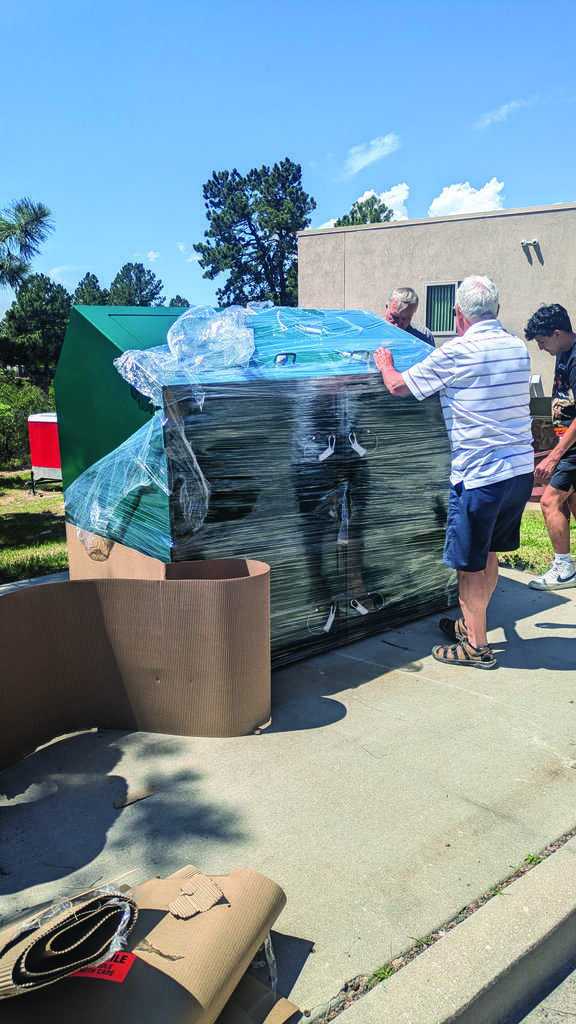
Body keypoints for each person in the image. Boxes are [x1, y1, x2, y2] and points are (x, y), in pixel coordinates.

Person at [374, 275, 533, 670]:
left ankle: (475, 646)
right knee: (489, 553)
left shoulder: (459, 351)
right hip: (518, 472)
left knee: (469, 565)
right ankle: (471, 625)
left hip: (480, 477)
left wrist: (384, 363)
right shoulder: (516, 346)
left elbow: (397, 387)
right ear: (495, 309)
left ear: (458, 314)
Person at [524, 304, 576, 589]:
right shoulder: (564, 352)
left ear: (557, 333)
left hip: (572, 448)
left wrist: (554, 456)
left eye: (543, 342)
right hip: (566, 443)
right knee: (571, 501)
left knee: (549, 500)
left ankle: (564, 569)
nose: (542, 348)